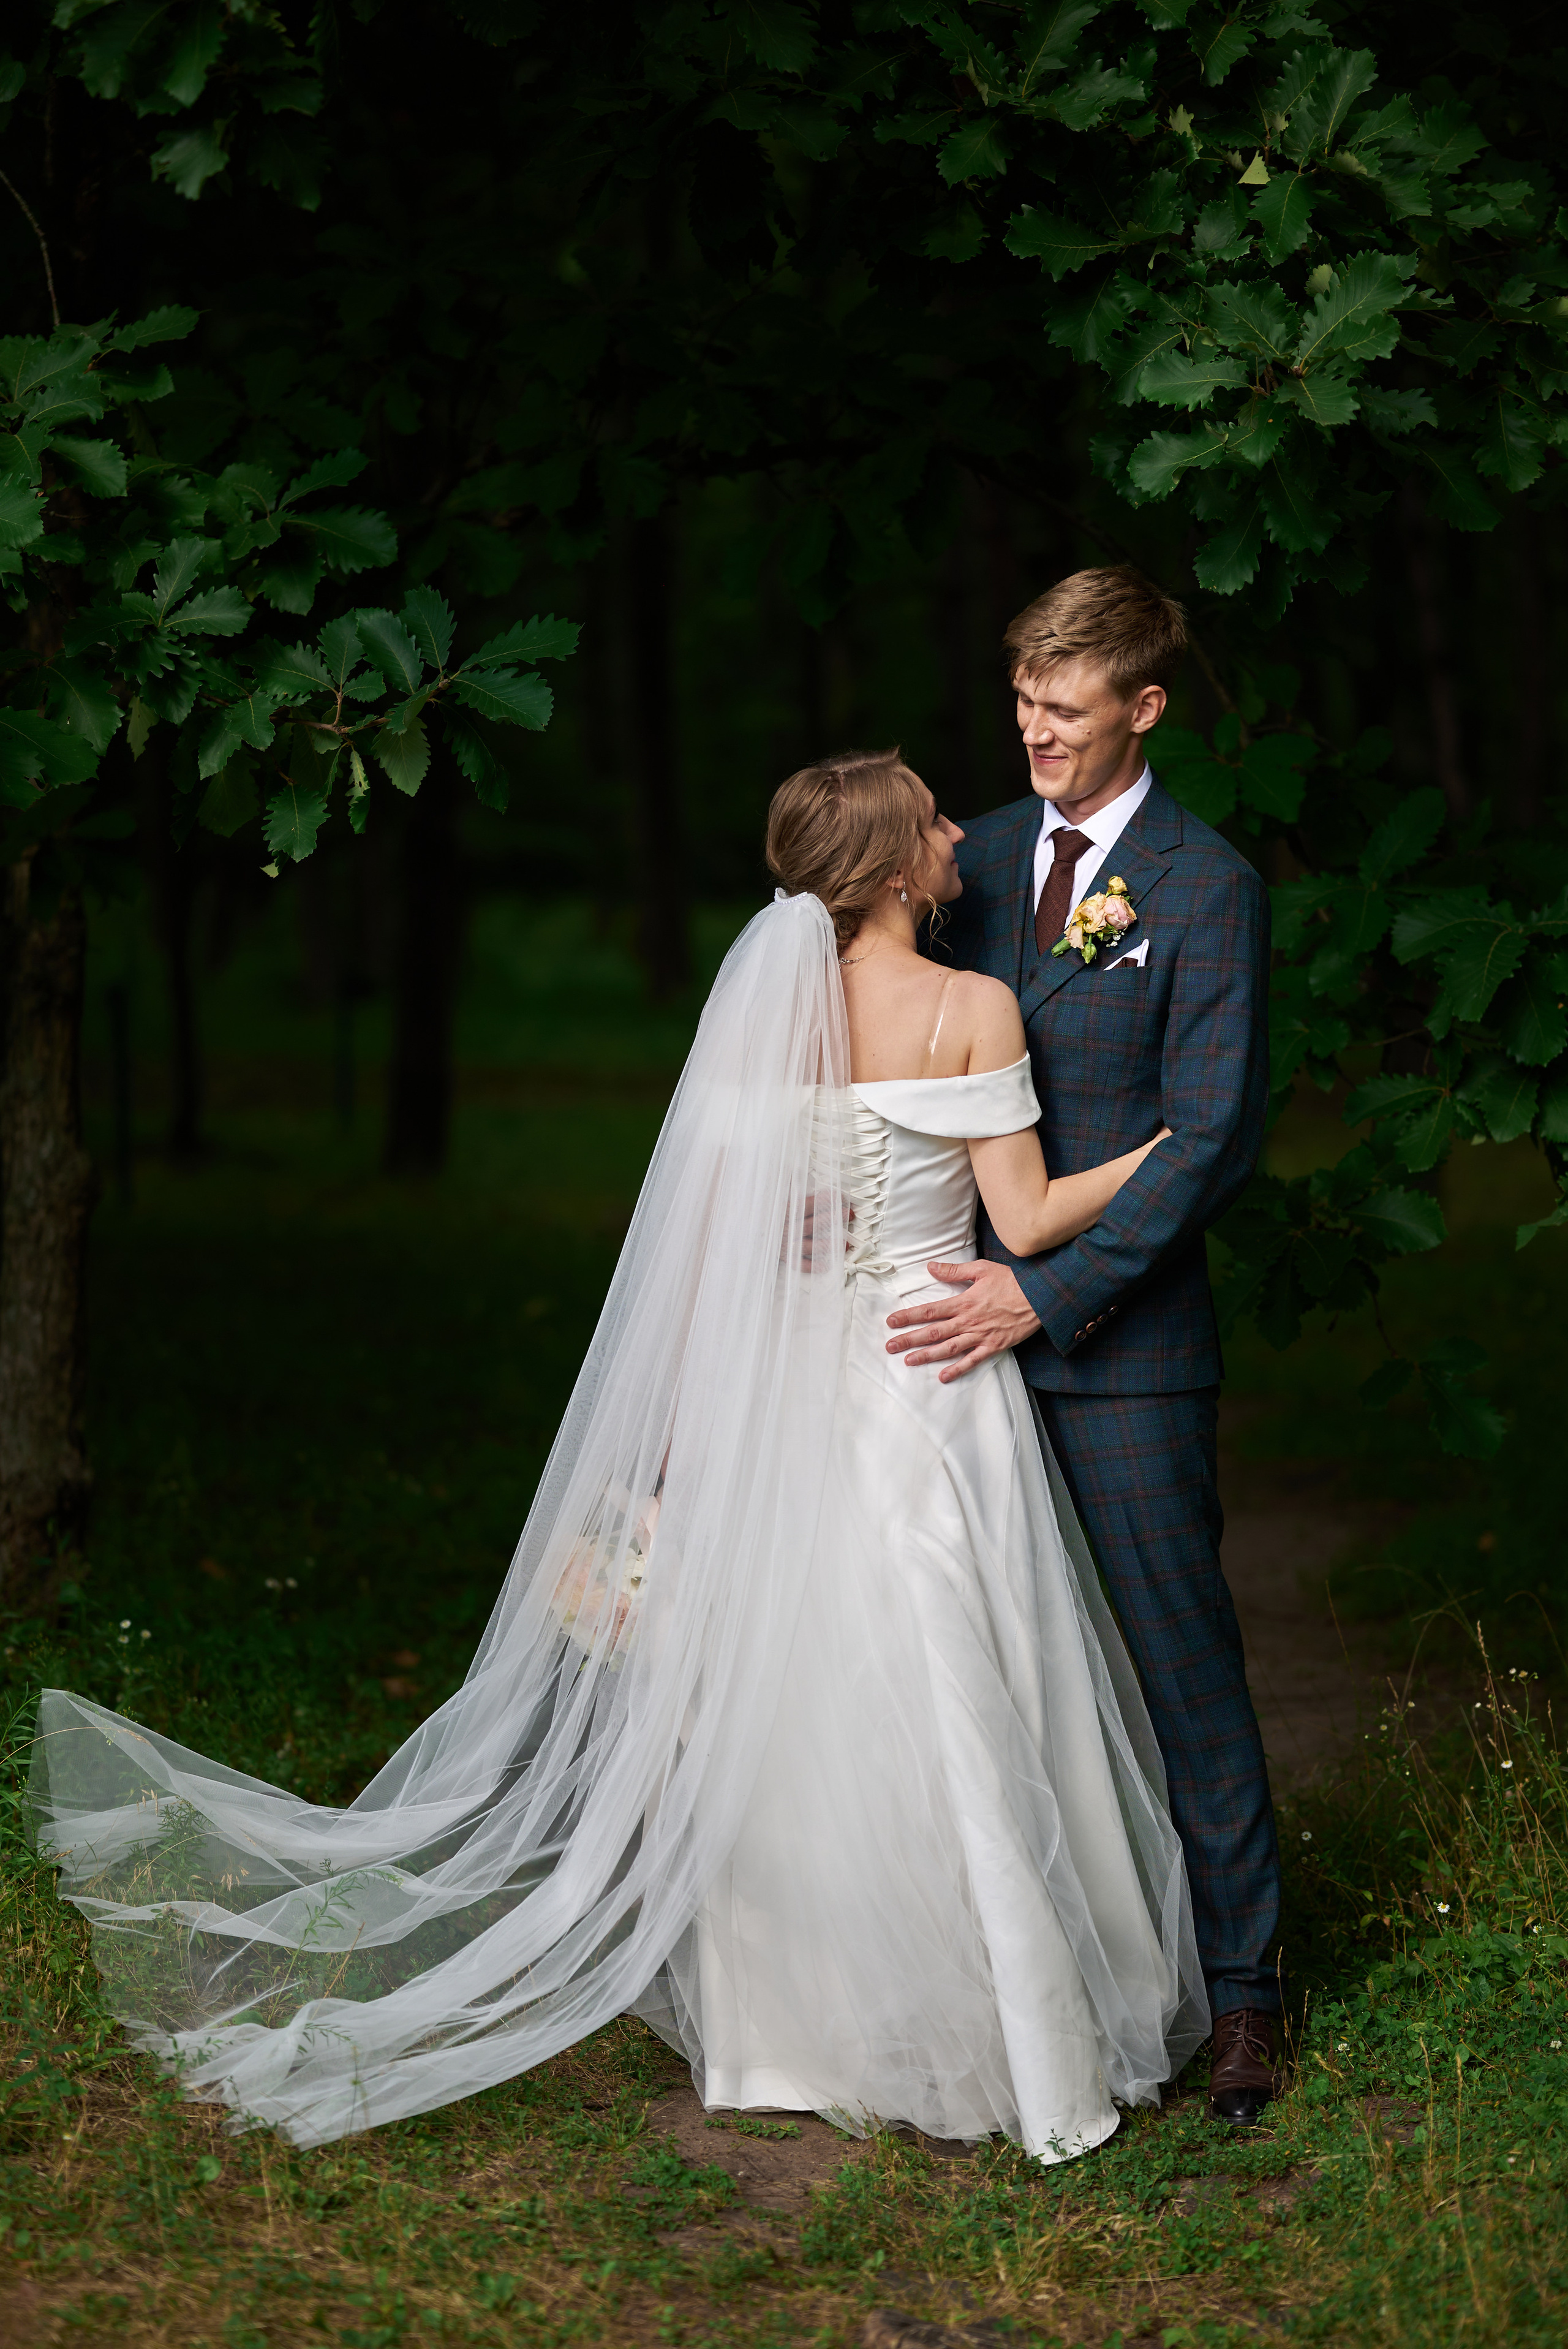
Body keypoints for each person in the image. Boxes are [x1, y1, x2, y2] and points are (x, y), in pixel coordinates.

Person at [29, 752, 1205, 2158]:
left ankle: (795, 2030)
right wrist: (1166, 1150)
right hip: (930, 1379)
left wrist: (670, 1452)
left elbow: (715, 1246)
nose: (964, 833)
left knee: (799, 1690)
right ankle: (1008, 2019)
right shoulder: (969, 1004)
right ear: (897, 873)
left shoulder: (764, 1021)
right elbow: (1021, 1219)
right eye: (938, 821)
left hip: (788, 1394)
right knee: (958, 1679)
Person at [884, 566, 1283, 2127]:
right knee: (984, 1670)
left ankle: (1243, 1995)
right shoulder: (964, 859)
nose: (1033, 731)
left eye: (1063, 706)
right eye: (1021, 702)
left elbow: (1210, 1140)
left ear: (1144, 706)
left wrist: (1043, 1294)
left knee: (1177, 1663)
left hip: (1120, 1348)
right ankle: (1033, 1979)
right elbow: (861, 1024)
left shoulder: (1204, 885)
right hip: (939, 1349)